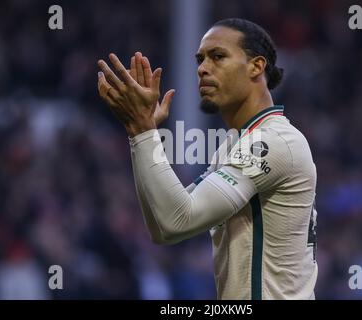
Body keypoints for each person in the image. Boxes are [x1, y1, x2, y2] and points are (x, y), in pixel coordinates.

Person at [97, 18, 318, 300]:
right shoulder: (233, 146)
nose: (202, 68)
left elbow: (175, 220)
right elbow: (163, 228)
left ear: (256, 66)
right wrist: (140, 133)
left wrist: (143, 131)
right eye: (200, 59)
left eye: (218, 57)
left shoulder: (273, 141)